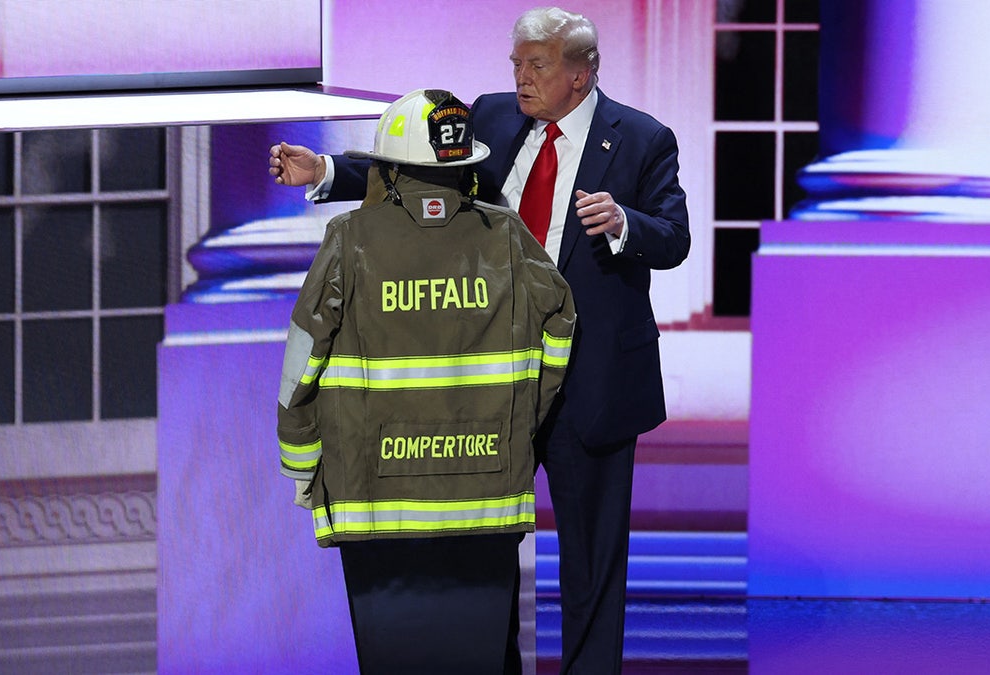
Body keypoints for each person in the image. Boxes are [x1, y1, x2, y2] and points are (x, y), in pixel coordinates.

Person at [270, 8, 691, 672]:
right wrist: (325, 170)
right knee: (485, 552)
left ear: (581, 74)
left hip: (597, 386)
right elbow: (412, 174)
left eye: (538, 66)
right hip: (499, 380)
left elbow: (674, 237)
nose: (521, 79)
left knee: (593, 566)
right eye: (517, 64)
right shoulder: (494, 117)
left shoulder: (641, 138)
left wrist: (623, 222)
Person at [275, 88, 576, 674]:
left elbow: (302, 366)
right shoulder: (508, 237)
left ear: (386, 170)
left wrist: (301, 466)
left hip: (374, 504)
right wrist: (522, 424)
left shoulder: (348, 239)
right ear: (465, 165)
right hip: (486, 496)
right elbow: (560, 324)